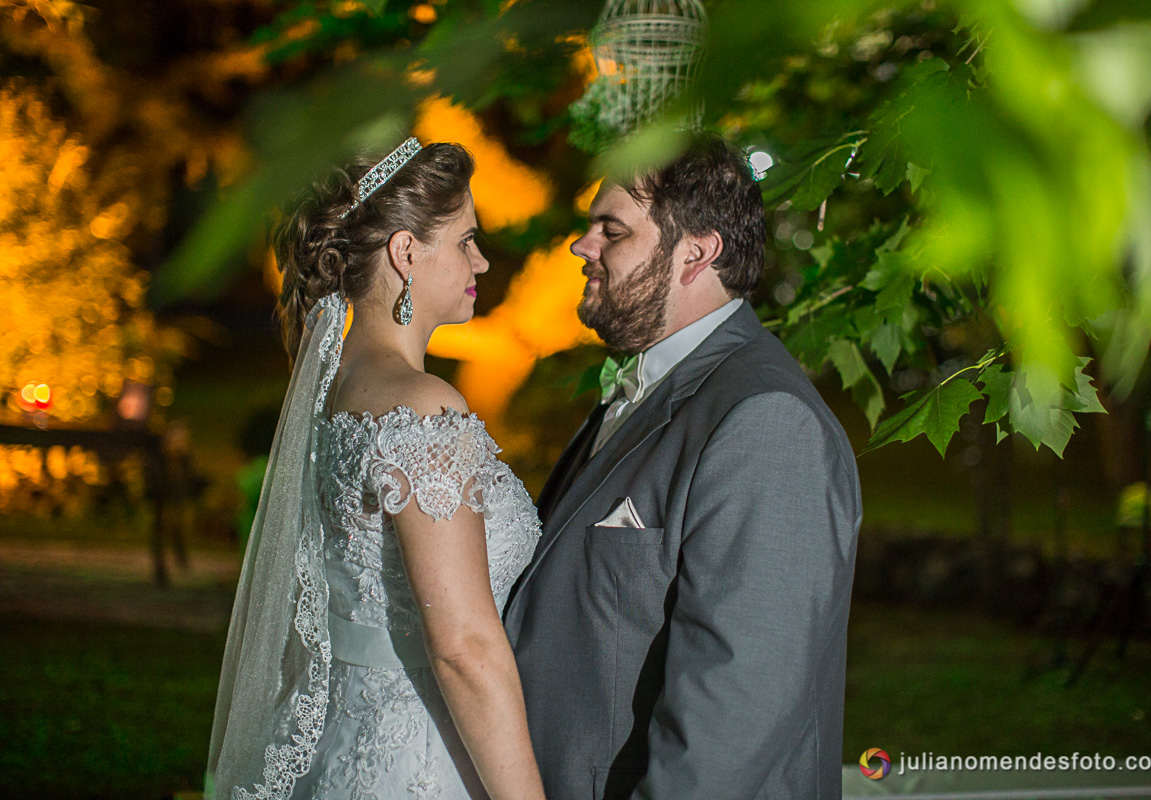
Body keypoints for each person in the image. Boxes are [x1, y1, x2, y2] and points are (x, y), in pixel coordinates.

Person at [503, 134, 862, 800]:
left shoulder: (766, 423)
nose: (582, 247)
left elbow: (732, 716)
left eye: (611, 231)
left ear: (696, 253)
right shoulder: (645, 389)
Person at [207, 138, 546, 800]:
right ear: (405, 252)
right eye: (466, 240)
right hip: (421, 757)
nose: (480, 260)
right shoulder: (422, 408)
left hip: (338, 742)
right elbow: (463, 649)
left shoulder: (338, 390)